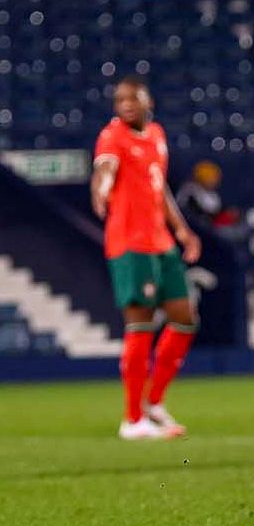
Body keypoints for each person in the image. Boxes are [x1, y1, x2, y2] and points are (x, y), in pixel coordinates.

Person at [91, 76, 203, 441]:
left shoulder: (156, 134)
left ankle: (154, 402)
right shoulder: (112, 136)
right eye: (120, 99)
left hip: (161, 242)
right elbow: (105, 168)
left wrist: (182, 230)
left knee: (185, 317)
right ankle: (133, 418)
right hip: (130, 243)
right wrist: (101, 189)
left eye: (132, 98)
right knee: (140, 323)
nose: (126, 104)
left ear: (147, 101)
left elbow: (159, 186)